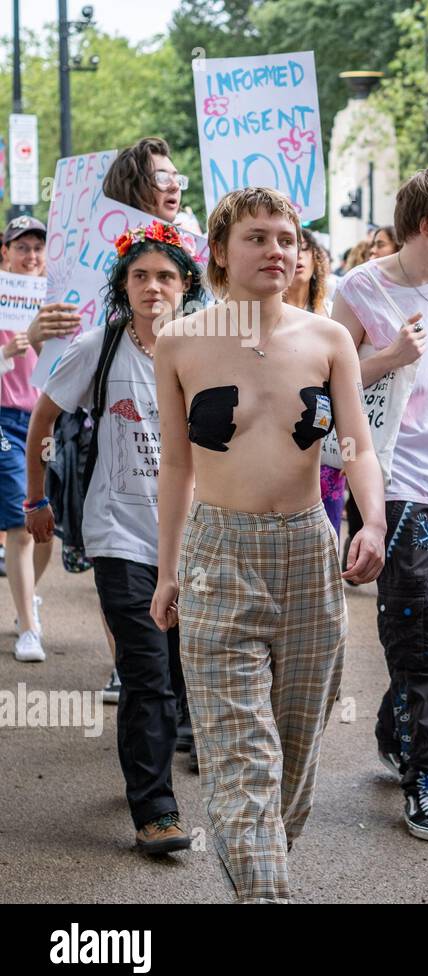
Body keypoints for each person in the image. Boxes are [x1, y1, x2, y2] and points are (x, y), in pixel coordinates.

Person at [150, 187, 387, 903]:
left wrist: (370, 521)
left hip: (309, 552)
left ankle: (258, 857)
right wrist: (168, 571)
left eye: (287, 238)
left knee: (292, 754)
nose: (277, 251)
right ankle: (265, 889)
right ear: (220, 250)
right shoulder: (181, 341)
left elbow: (357, 445)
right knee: (240, 752)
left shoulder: (328, 339)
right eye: (257, 237)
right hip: (219, 552)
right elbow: (175, 463)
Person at [26, 221, 204, 853]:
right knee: (146, 669)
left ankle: (165, 750)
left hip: (198, 537)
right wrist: (37, 495)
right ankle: (155, 809)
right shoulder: (98, 348)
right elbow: (44, 418)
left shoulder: (209, 350)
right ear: (123, 286)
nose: (152, 287)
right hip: (118, 534)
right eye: (140, 276)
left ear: (186, 286)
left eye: (165, 276)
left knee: (186, 667)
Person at [331, 167, 428, 843]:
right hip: (396, 484)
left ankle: (396, 723)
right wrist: (387, 354)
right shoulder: (361, 288)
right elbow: (324, 381)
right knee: (421, 643)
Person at [0, 217, 52, 662]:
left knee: (45, 527)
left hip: (48, 419)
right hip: (5, 421)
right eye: (22, 247)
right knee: (19, 522)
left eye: (38, 247)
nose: (31, 255)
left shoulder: (56, 303)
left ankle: (27, 597)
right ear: (6, 254)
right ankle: (29, 628)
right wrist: (5, 353)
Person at [286, 230, 347, 536]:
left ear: (316, 260)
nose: (297, 256)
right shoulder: (259, 318)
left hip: (328, 451)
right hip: (280, 445)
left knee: (326, 540)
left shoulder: (334, 318)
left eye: (304, 249)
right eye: (290, 247)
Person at [102, 137, 187, 224]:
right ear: (131, 188)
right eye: (162, 178)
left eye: (178, 179)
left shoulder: (186, 236)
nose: (175, 186)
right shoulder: (113, 236)